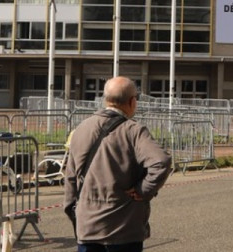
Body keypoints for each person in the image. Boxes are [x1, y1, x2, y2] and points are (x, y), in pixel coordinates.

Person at [64, 76, 172, 252]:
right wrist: (143, 190)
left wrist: (74, 215)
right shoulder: (133, 130)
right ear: (132, 101)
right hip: (124, 229)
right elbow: (161, 161)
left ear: (106, 99)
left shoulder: (81, 129)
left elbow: (70, 178)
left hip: (88, 227)